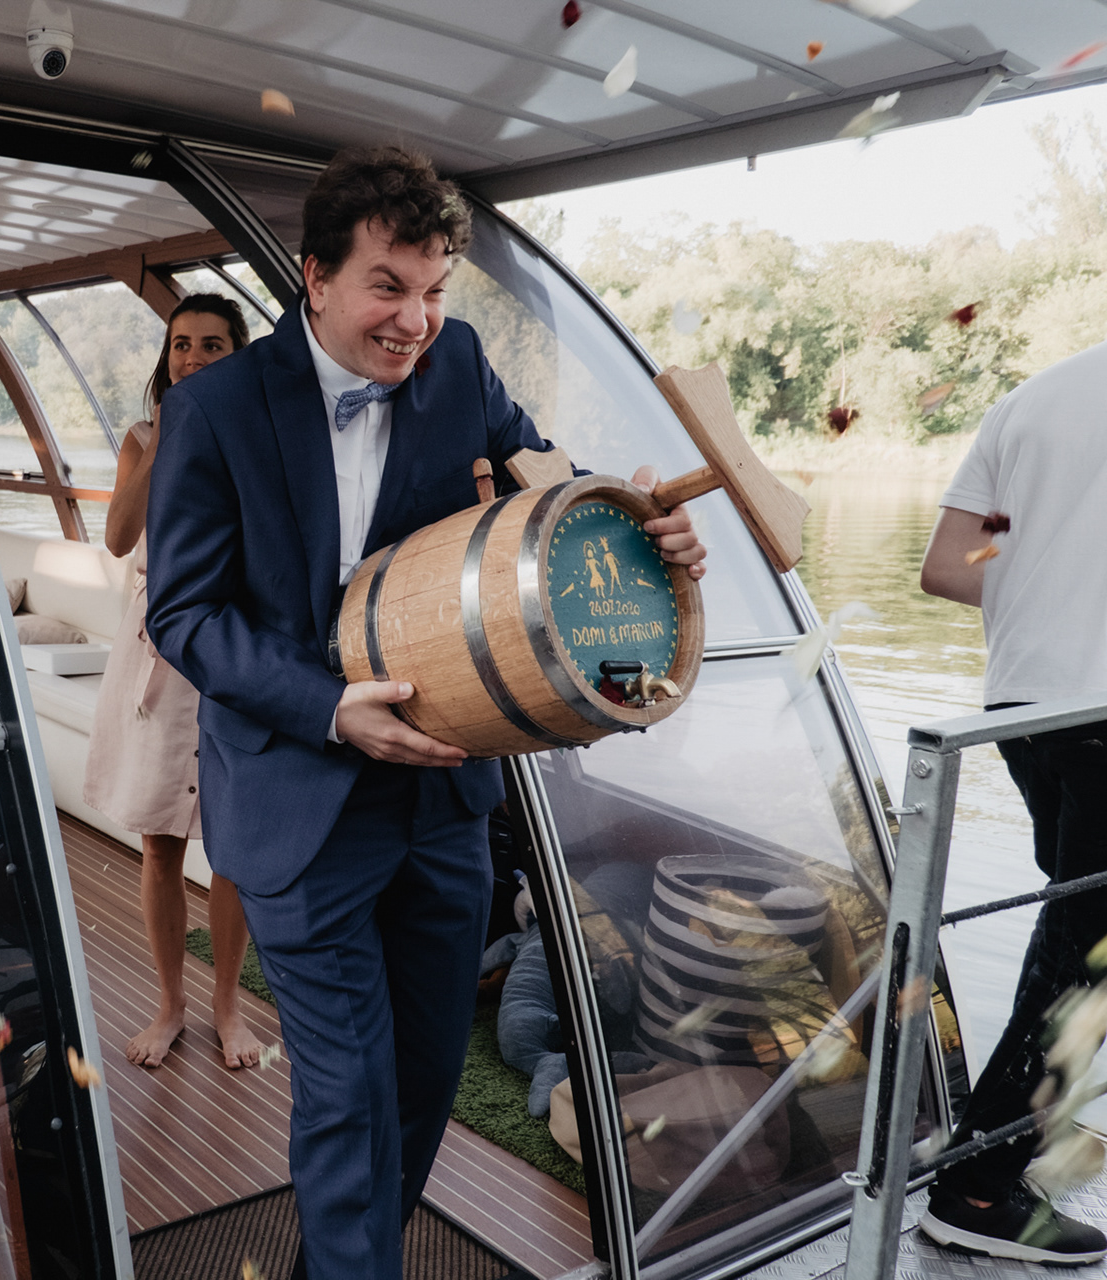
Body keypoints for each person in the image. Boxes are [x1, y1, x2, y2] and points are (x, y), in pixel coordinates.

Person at [145, 145, 706, 1279]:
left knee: (421, 1086)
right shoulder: (214, 409)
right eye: (389, 288)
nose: (416, 321)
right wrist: (329, 706)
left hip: (446, 800)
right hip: (298, 801)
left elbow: (551, 481)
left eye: (436, 288)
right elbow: (184, 615)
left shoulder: (459, 365)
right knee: (350, 1094)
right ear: (315, 278)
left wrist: (641, 532)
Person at [914, 246, 1107, 1266]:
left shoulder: (1034, 397)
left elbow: (945, 567)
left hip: (1025, 709)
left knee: (1077, 934)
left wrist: (1055, 581)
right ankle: (977, 1182)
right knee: (1093, 953)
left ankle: (1009, 1141)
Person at [84, 294, 263, 1070]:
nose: (192, 357)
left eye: (211, 345)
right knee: (159, 842)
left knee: (232, 848)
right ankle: (170, 1005)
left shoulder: (261, 438)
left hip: (232, 649)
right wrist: (165, 437)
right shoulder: (141, 438)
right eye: (181, 343)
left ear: (239, 354)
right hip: (156, 646)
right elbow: (118, 536)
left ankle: (227, 1006)